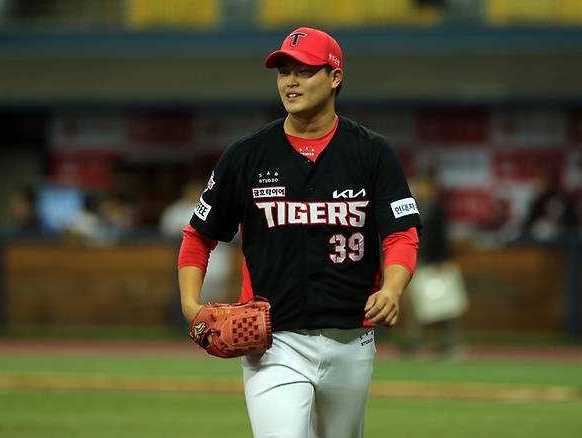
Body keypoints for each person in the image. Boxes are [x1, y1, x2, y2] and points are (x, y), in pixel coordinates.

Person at [177, 27, 421, 438]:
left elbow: (402, 233)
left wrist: (393, 289)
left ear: (335, 76)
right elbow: (199, 235)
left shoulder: (371, 152)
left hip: (352, 340)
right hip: (273, 343)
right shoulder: (248, 154)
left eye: (305, 71)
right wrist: (190, 306)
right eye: (283, 72)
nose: (290, 82)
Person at [404, 171, 465, 358]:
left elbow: (442, 239)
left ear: (432, 188)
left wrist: (441, 261)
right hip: (417, 264)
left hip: (436, 265)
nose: (419, 189)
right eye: (418, 186)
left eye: (423, 186)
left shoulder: (437, 208)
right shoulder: (411, 207)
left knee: (446, 306)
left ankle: (450, 344)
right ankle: (414, 343)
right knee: (417, 306)